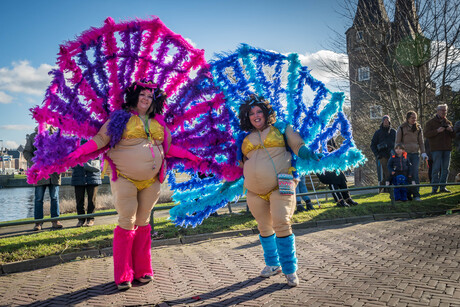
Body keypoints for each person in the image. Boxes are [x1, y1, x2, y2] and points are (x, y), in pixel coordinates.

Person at [66, 79, 200, 290]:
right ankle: (123, 274)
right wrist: (77, 153)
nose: (146, 99)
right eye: (143, 95)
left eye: (150, 96)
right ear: (134, 97)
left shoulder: (159, 123)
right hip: (124, 177)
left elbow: (170, 148)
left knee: (143, 221)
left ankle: (143, 269)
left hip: (152, 181)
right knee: (127, 220)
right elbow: (101, 139)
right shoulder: (120, 118)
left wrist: (193, 157)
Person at [238, 95, 319, 287]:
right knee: (264, 227)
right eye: (251, 113)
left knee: (282, 222)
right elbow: (240, 162)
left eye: (259, 111)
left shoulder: (282, 128)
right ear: (246, 117)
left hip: (280, 185)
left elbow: (298, 146)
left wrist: (309, 154)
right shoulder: (243, 137)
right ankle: (273, 265)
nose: (256, 116)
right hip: (254, 191)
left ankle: (290, 270)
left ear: (267, 113)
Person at [24, 127, 63, 231]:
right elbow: (26, 152)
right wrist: (35, 162)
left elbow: (63, 150)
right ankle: (38, 223)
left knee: (54, 197)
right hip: (39, 173)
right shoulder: (33, 136)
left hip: (54, 173)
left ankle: (55, 221)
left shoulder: (57, 135)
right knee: (38, 198)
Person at [316, 139, 359, 207]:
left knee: (342, 179)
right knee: (333, 182)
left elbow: (336, 152)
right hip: (324, 171)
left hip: (334, 168)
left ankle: (348, 199)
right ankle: (340, 201)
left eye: (329, 147)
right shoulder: (318, 143)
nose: (328, 148)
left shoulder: (331, 141)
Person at [424, 104, 456, 194]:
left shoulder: (448, 122)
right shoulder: (431, 122)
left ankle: (443, 187)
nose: (443, 112)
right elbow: (426, 134)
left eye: (445, 110)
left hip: (447, 149)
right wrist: (437, 131)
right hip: (436, 149)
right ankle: (434, 188)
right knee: (436, 169)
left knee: (445, 169)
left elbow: (454, 136)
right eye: (442, 110)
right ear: (437, 111)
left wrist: (451, 130)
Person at [395, 111, 427, 201]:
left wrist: (423, 153)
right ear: (408, 118)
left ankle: (416, 194)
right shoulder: (401, 128)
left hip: (415, 154)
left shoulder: (418, 128)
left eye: (415, 118)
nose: (414, 119)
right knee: (407, 174)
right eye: (412, 118)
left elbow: (421, 142)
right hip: (405, 154)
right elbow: (397, 142)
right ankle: (407, 195)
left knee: (415, 174)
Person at [71, 152, 102, 227]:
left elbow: (100, 155)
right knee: (79, 199)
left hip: (92, 176)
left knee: (92, 199)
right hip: (78, 175)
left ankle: (90, 219)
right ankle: (81, 219)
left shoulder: (94, 142)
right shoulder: (73, 143)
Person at [370, 115, 396, 192]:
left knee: (391, 173)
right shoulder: (378, 133)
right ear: (382, 121)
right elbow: (372, 145)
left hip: (392, 155)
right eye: (384, 120)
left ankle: (384, 186)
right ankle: (385, 187)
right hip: (382, 156)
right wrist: (377, 154)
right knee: (387, 173)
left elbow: (397, 143)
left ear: (389, 121)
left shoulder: (393, 132)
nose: (385, 121)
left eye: (387, 120)